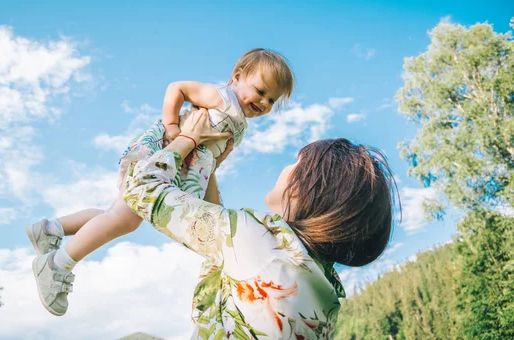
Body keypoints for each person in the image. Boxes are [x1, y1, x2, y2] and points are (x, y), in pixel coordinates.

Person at [39, 107, 399, 338]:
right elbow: (220, 244)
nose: (287, 168)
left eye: (296, 162)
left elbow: (141, 188)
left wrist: (187, 139)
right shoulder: (321, 288)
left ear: (304, 189)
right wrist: (209, 169)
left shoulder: (259, 243)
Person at [27, 48, 295, 316]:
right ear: (237, 76)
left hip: (177, 165)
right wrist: (171, 128)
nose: (264, 103)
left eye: (272, 100)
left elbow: (211, 159)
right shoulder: (220, 98)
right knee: (125, 219)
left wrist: (211, 167)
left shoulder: (239, 127)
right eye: (260, 91)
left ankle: (50, 229)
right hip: (163, 152)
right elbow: (177, 88)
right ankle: (56, 265)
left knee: (116, 215)